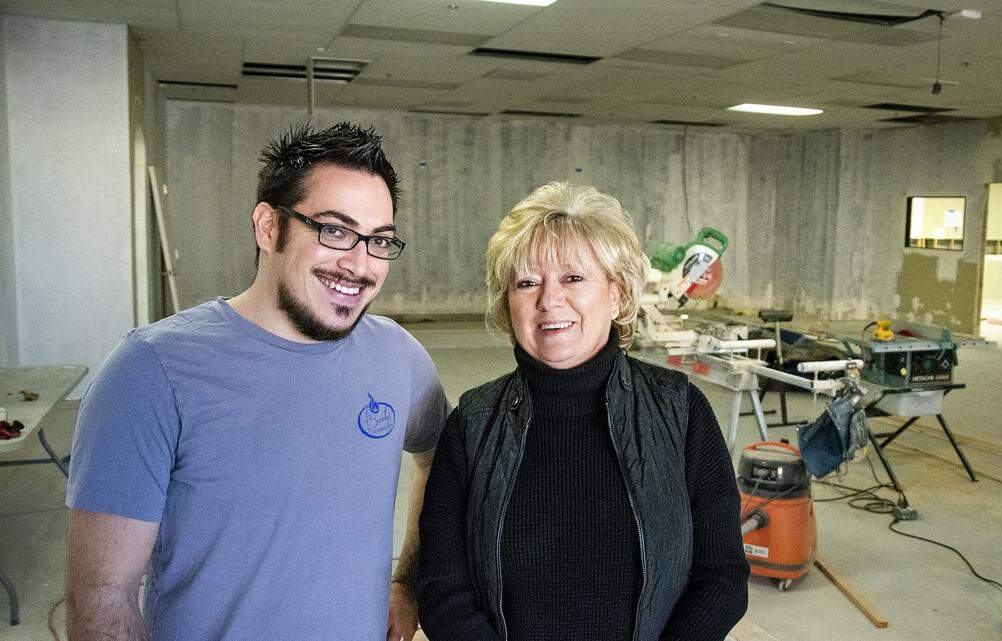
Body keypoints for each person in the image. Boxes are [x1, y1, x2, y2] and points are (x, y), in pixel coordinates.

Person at [65, 122, 448, 641]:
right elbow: (101, 600)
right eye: (335, 231)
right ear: (269, 227)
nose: (359, 264)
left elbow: (437, 460)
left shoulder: (398, 357)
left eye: (378, 240)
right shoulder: (151, 370)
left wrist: (407, 581)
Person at [417, 182, 749, 641]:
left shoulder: (680, 411)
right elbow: (442, 592)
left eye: (573, 278)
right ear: (507, 304)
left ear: (617, 295)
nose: (549, 300)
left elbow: (722, 576)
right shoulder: (472, 425)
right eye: (527, 283)